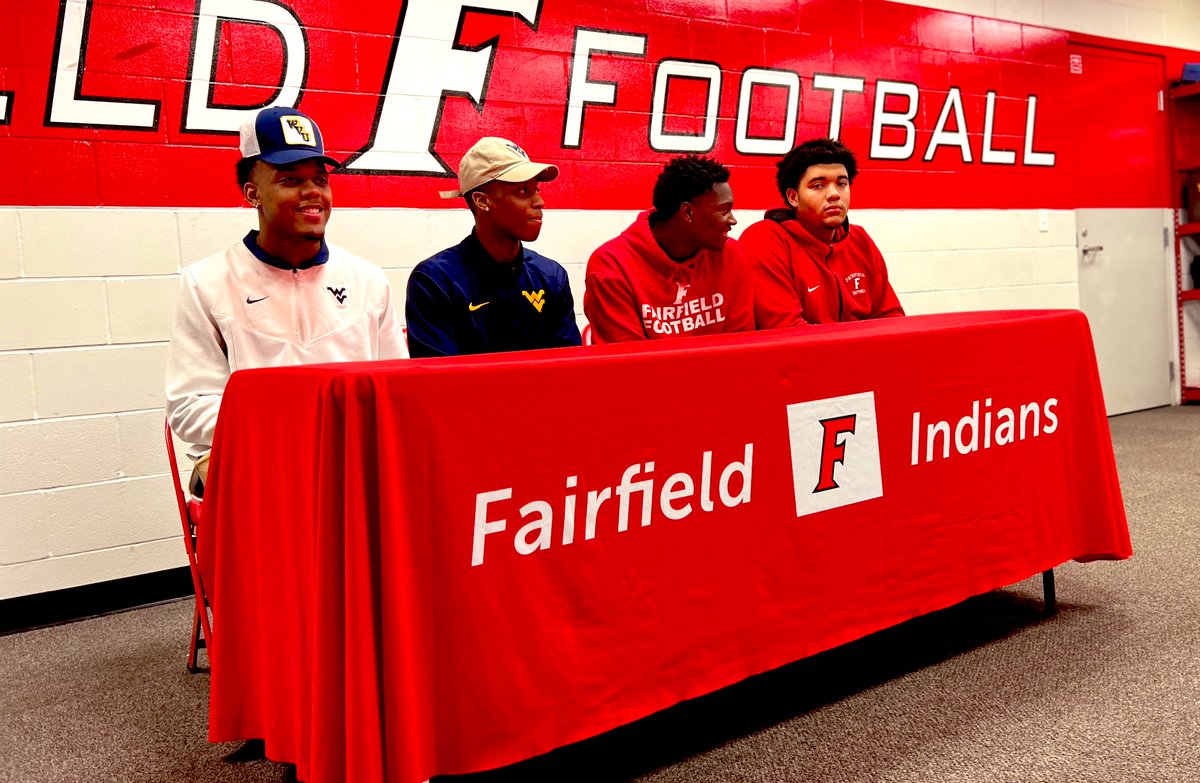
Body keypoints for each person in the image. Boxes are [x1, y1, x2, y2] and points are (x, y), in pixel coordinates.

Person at [165, 106, 406, 496]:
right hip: (259, 471)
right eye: (291, 179)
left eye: (320, 179)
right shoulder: (206, 282)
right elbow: (190, 407)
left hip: (352, 470)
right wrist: (295, 430)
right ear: (253, 193)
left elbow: (397, 393)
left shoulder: (368, 280)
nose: (312, 192)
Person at [405, 138, 582, 357]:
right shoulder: (435, 281)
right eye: (523, 191)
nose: (539, 201)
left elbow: (571, 367)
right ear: (482, 201)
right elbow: (439, 375)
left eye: (536, 189)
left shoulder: (551, 277)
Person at [584, 155, 754, 343]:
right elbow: (628, 358)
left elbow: (740, 343)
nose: (733, 220)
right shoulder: (610, 266)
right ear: (688, 212)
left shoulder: (731, 254)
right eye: (724, 210)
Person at [740, 137, 904, 328]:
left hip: (858, 346)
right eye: (818, 186)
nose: (834, 194)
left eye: (842, 183)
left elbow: (891, 316)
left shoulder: (860, 240)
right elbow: (786, 331)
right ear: (793, 197)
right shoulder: (763, 240)